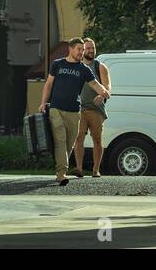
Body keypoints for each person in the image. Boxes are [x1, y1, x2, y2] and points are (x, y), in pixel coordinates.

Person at [39, 38, 109, 186]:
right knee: (60, 139)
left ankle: (61, 170)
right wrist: (43, 102)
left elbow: (95, 84)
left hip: (74, 111)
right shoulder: (58, 64)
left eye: (83, 50)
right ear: (70, 49)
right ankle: (61, 173)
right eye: (79, 49)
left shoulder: (84, 69)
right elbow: (49, 83)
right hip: (56, 108)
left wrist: (103, 92)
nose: (81, 53)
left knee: (70, 143)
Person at [71, 39, 112, 178]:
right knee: (78, 138)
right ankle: (79, 169)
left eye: (92, 48)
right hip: (79, 108)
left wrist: (103, 95)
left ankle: (96, 170)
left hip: (96, 109)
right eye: (87, 48)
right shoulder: (76, 66)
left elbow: (107, 88)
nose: (90, 51)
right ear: (82, 50)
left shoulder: (100, 67)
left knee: (97, 139)